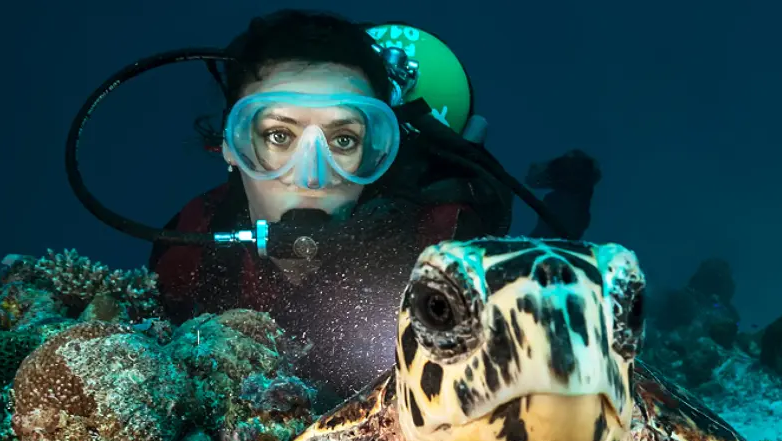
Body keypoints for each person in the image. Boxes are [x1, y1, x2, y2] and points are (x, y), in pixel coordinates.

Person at [147, 11, 514, 402]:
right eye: (278, 135)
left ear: (377, 152)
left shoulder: (442, 245)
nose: (311, 177)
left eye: (343, 141)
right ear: (232, 146)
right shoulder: (189, 246)